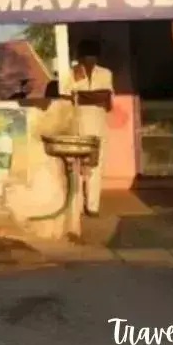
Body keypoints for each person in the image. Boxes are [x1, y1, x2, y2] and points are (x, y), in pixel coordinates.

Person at [62, 40, 113, 217]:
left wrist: (83, 96)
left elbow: (106, 100)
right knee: (76, 166)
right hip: (77, 126)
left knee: (95, 167)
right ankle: (76, 206)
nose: (89, 59)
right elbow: (68, 96)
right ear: (81, 58)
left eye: (93, 56)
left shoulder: (105, 73)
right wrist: (89, 95)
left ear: (97, 57)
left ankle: (92, 207)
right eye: (86, 56)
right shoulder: (73, 73)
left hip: (98, 127)